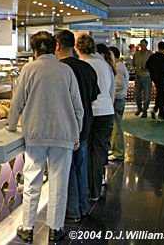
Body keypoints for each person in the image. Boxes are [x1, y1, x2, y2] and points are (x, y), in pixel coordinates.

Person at [7, 31, 83, 243]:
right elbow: (78, 107)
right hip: (63, 133)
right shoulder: (66, 70)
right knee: (59, 183)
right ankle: (55, 228)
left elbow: (18, 101)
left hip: (35, 134)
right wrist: (76, 133)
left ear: (34, 50)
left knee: (32, 180)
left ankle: (28, 227)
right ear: (54, 47)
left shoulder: (29, 69)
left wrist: (12, 125)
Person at [54, 30, 99, 223]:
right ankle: (84, 206)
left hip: (66, 125)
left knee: (68, 168)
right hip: (86, 124)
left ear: (57, 45)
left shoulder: (59, 69)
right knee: (81, 166)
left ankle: (72, 211)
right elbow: (94, 95)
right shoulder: (87, 68)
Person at [75, 34, 115, 202]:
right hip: (106, 111)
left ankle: (85, 190)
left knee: (85, 151)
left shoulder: (81, 66)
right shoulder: (104, 64)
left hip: (90, 112)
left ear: (77, 47)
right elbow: (111, 89)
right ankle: (95, 191)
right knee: (99, 152)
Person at [108, 47, 129, 161]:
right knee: (115, 125)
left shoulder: (118, 67)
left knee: (117, 126)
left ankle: (118, 152)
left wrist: (111, 95)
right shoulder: (119, 65)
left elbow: (119, 85)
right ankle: (115, 149)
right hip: (118, 99)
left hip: (117, 100)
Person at [146, 41, 164, 122]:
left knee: (160, 94)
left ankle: (155, 109)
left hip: (155, 79)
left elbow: (147, 66)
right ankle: (161, 115)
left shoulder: (152, 57)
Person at [133, 39, 152, 118]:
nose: (142, 46)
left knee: (147, 95)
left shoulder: (150, 54)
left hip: (147, 76)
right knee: (137, 94)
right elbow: (133, 64)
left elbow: (152, 66)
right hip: (138, 76)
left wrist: (146, 69)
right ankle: (139, 108)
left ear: (146, 45)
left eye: (143, 45)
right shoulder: (136, 54)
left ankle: (145, 110)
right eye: (141, 45)